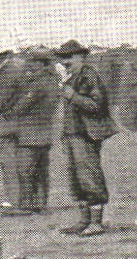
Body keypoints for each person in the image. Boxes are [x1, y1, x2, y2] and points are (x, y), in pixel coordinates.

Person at [55, 39, 115, 234]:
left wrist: (73, 96)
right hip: (72, 134)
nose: (65, 62)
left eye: (69, 57)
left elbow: (97, 105)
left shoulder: (89, 76)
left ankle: (96, 223)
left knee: (89, 176)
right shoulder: (72, 78)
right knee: (76, 178)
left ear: (81, 56)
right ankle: (84, 220)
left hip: (85, 135)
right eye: (63, 58)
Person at [7, 47, 61, 214]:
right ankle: (41, 203)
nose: (30, 65)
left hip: (30, 132)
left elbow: (22, 106)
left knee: (25, 169)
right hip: (45, 131)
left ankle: (27, 205)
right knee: (41, 170)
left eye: (33, 62)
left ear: (42, 64)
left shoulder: (38, 83)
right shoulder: (53, 81)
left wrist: (10, 111)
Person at [0, 49, 30, 209]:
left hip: (11, 121)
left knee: (9, 160)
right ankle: (23, 198)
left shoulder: (9, 68)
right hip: (24, 120)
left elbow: (0, 96)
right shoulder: (22, 65)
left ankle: (13, 199)